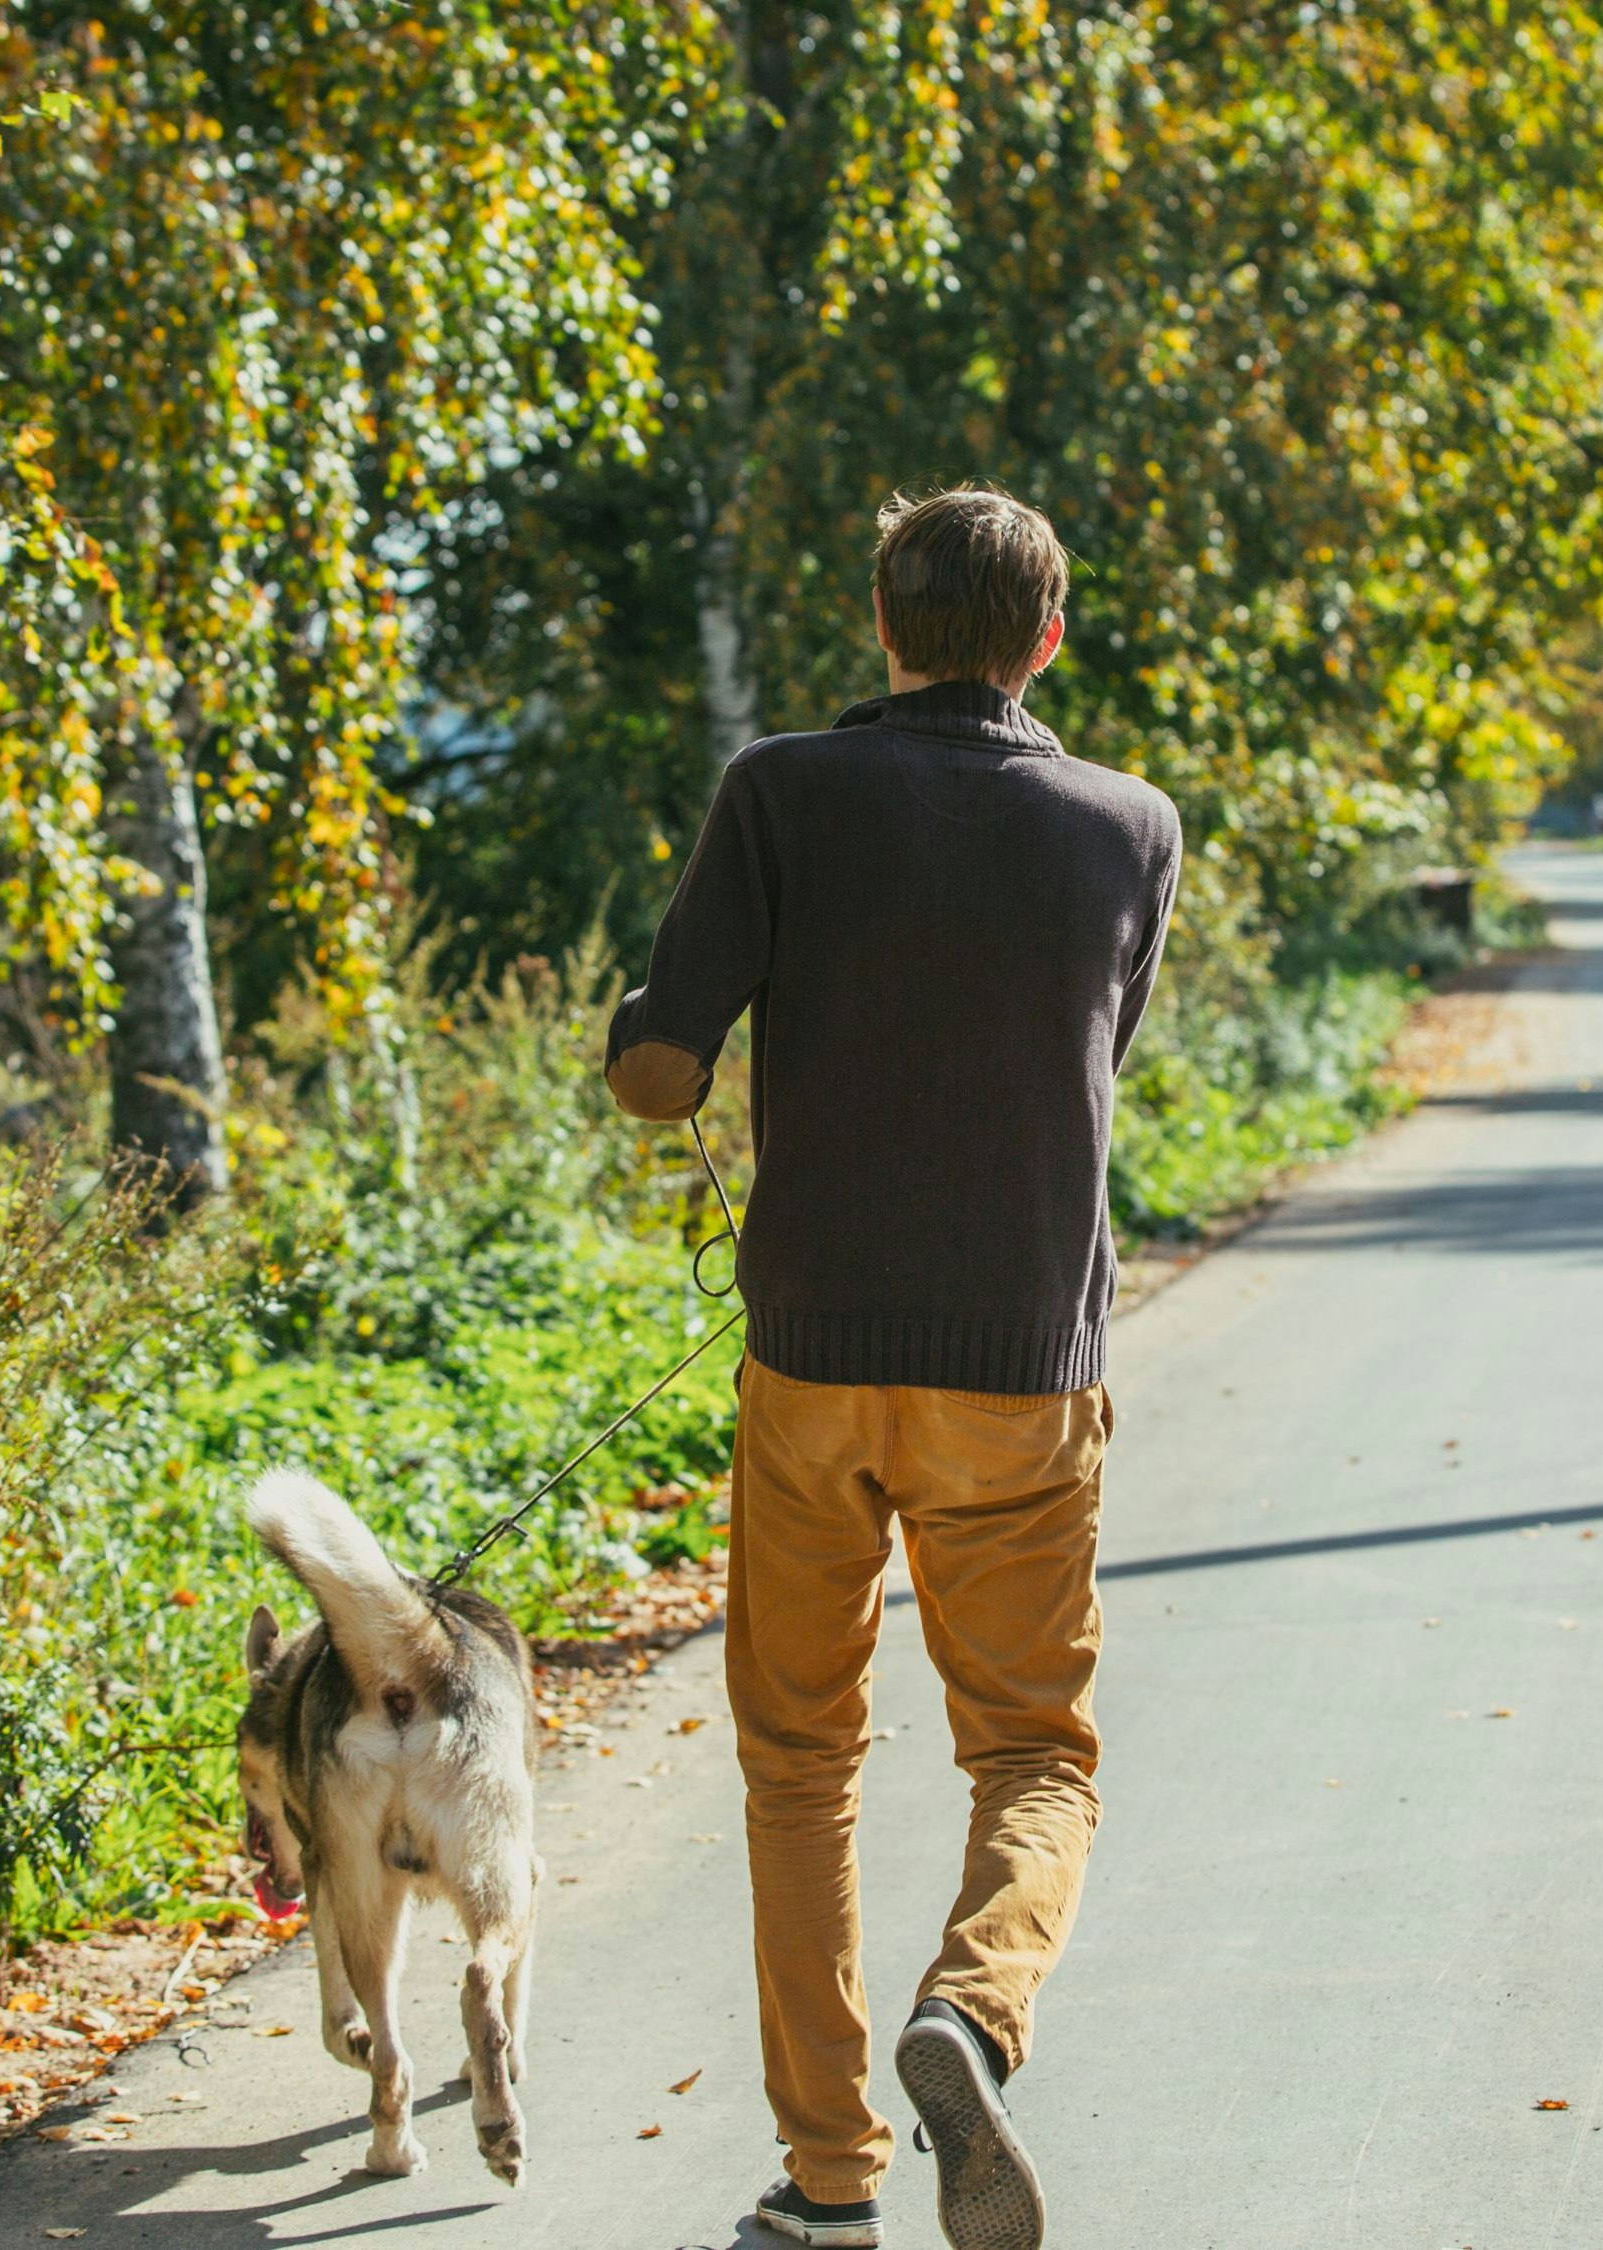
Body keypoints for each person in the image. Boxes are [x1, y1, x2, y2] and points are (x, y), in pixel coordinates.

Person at [604, 487, 1179, 2250]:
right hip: (1023, 1362)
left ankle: (830, 2177)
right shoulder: (1131, 826)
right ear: (1047, 637)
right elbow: (1094, 1047)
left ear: (882, 623)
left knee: (800, 1760)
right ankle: (973, 2013)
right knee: (1034, 1752)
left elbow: (661, 1069)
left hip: (816, 1361)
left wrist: (653, 1045)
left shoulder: (781, 790)